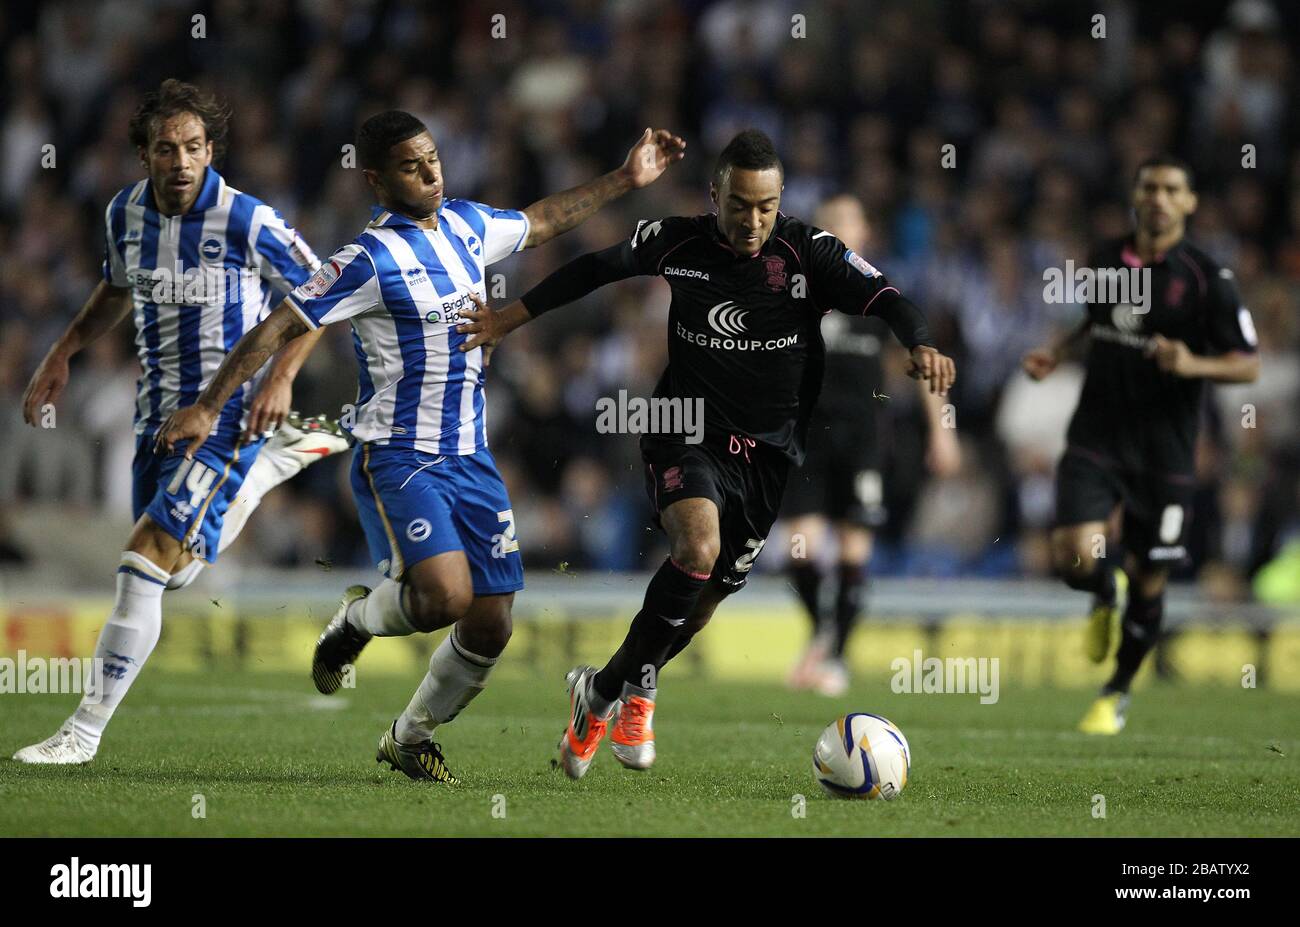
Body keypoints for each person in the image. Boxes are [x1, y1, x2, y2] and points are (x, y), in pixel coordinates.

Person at [157, 110, 686, 781]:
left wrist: (624, 177)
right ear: (378, 181)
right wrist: (208, 405)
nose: (432, 171)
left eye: (433, 157)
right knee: (443, 596)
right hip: (399, 456)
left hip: (473, 459)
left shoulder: (466, 225)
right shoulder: (367, 260)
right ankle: (356, 620)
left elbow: (542, 220)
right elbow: (277, 325)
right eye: (413, 165)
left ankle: (408, 736)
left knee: (492, 626)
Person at [455, 129, 955, 778]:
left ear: (781, 202)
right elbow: (593, 269)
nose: (752, 220)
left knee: (706, 598)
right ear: (714, 194)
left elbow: (888, 297)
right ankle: (611, 695)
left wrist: (919, 343)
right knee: (697, 548)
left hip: (770, 455)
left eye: (766, 206)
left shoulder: (809, 253)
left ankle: (615, 685)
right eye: (740, 204)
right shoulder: (678, 240)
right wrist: (505, 318)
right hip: (683, 428)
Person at [12, 79, 348, 765]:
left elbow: (327, 292)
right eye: (166, 148)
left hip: (225, 417)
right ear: (143, 154)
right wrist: (63, 350)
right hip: (156, 418)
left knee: (142, 561)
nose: (181, 161)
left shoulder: (247, 219)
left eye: (194, 147)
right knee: (177, 572)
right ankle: (273, 465)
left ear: (211, 150)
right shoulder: (124, 214)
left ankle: (82, 731)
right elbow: (114, 288)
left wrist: (280, 377)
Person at [1022, 155, 1260, 734]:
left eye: (1171, 189)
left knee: (1151, 577)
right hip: (1097, 432)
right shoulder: (1106, 257)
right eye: (1149, 186)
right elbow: (1091, 320)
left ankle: (1116, 693)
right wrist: (1058, 350)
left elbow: (1247, 366)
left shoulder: (1209, 279)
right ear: (1135, 194)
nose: (1157, 197)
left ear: (1189, 203)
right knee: (1076, 555)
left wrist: (1192, 362)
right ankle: (1102, 590)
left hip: (1165, 450)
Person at [782, 193, 961, 697]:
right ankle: (822, 629)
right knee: (801, 549)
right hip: (804, 442)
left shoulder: (879, 298)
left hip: (861, 442)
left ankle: (835, 657)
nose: (839, 230)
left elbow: (924, 361)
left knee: (853, 552)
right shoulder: (796, 294)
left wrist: (942, 432)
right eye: (830, 222)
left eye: (848, 222)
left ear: (864, 233)